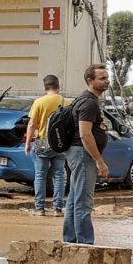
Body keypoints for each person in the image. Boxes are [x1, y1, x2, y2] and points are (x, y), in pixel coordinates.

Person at [63, 64, 112, 245]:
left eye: (107, 78)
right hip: (83, 155)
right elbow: (85, 134)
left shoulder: (84, 99)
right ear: (90, 81)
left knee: (75, 200)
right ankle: (85, 243)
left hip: (78, 154)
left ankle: (70, 241)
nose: (107, 81)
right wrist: (99, 161)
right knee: (83, 202)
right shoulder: (89, 102)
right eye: (102, 78)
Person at [25, 73, 69, 216]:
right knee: (59, 176)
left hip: (42, 144)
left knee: (40, 176)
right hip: (61, 145)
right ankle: (58, 209)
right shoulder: (67, 102)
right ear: (58, 87)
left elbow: (32, 124)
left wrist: (28, 143)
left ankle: (40, 208)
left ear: (45, 88)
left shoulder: (39, 102)